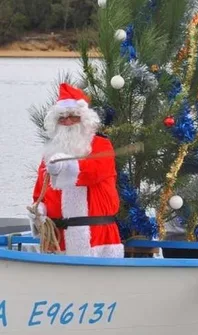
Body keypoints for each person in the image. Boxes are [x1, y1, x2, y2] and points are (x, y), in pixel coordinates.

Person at [27, 83, 124, 258]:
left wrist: (65, 166)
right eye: (62, 118)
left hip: (96, 239)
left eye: (73, 116)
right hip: (57, 241)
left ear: (85, 119)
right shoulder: (49, 153)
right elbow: (39, 192)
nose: (67, 121)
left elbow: (93, 173)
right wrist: (39, 210)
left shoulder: (101, 145)